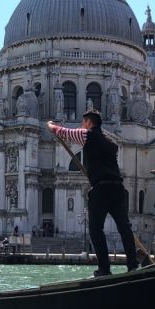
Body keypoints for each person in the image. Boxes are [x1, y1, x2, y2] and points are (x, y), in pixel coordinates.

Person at [47, 108, 138, 277]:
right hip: (118, 188)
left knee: (96, 228)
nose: (82, 126)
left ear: (89, 122)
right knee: (124, 227)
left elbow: (61, 132)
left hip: (101, 189)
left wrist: (50, 125)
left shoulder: (86, 135)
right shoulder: (112, 144)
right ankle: (133, 265)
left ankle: (104, 269)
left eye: (84, 123)